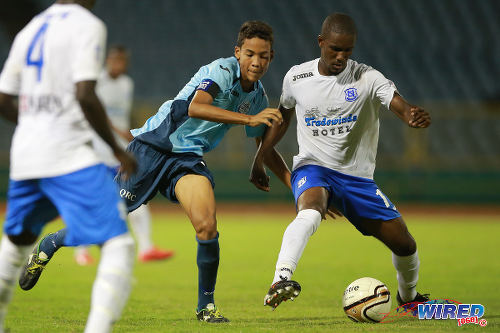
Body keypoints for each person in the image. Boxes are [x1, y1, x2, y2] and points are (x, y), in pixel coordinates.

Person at [250, 13, 432, 310]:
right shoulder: (297, 77)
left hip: (357, 179)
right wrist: (260, 159)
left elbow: (397, 102)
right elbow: (281, 119)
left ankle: (409, 299)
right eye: (334, 48)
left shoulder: (367, 77)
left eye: (347, 50)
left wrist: (411, 114)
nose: (341, 56)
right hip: (313, 167)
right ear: (320, 42)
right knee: (310, 210)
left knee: (406, 245)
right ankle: (280, 278)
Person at [0, 1, 137, 332]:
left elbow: (3, 100)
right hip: (67, 154)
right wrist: (116, 149)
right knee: (120, 245)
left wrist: (35, 124)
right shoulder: (87, 24)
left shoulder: (31, 29)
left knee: (16, 242)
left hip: (26, 157)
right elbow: (85, 94)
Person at [74, 44, 174, 265]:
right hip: (99, 149)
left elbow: (123, 116)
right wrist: (118, 132)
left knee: (136, 193)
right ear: (108, 60)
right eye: (115, 59)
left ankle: (146, 247)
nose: (119, 64)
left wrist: (132, 134)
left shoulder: (127, 84)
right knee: (93, 199)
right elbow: (95, 110)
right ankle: (81, 250)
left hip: (121, 150)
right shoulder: (96, 81)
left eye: (123, 60)